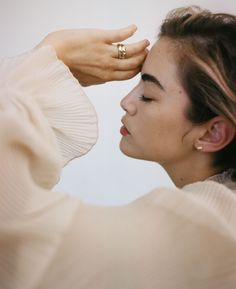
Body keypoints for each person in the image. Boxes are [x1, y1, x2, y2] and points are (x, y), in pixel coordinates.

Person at [0, 6, 235, 289]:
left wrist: (48, 57)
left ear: (213, 133)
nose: (126, 101)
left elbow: (20, 232)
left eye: (148, 95)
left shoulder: (211, 231)